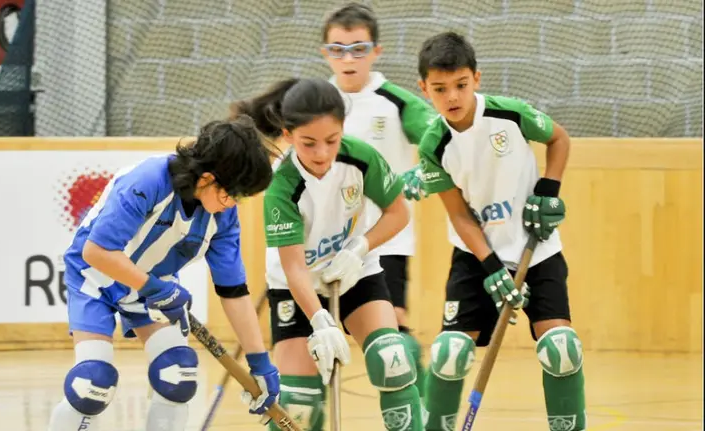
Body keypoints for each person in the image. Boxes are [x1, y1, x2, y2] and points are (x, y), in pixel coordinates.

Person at [47, 116, 283, 431]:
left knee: (179, 376)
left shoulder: (223, 218)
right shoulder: (148, 181)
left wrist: (260, 363)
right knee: (92, 384)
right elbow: (96, 252)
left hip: (153, 285)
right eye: (232, 195)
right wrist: (156, 289)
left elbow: (234, 293)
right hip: (96, 277)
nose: (232, 205)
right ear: (207, 179)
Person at [409, 31, 587, 431]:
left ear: (477, 78)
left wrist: (548, 190)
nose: (452, 97)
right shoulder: (433, 146)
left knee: (562, 349)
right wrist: (491, 267)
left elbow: (559, 138)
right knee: (449, 354)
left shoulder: (509, 113)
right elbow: (458, 215)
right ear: (424, 89)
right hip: (476, 257)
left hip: (536, 249)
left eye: (461, 85)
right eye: (440, 89)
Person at [232, 77, 424, 431]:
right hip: (297, 288)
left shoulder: (361, 157)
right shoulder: (281, 185)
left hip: (357, 273)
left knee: (391, 360)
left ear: (342, 130)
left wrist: (360, 247)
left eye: (331, 141)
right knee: (299, 408)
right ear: (288, 135)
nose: (321, 153)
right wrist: (320, 322)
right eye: (308, 143)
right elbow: (294, 269)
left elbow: (398, 213)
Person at [320, 2, 437, 400]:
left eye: (357, 48)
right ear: (325, 53)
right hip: (322, 239)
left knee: (393, 334)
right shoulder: (314, 102)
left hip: (386, 237)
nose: (347, 59)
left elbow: (442, 138)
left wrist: (426, 171)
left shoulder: (398, 102)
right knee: (317, 335)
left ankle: (418, 411)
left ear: (376, 52)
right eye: (337, 49)